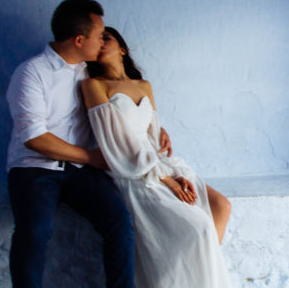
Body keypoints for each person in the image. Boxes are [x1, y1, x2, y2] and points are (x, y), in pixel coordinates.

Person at [5, 0, 173, 288]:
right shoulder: (31, 73)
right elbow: (34, 138)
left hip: (81, 172)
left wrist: (156, 128)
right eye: (99, 36)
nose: (103, 42)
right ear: (79, 40)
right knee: (35, 230)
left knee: (119, 221)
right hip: (35, 169)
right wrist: (91, 157)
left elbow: (123, 110)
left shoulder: (91, 73)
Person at [82, 27, 233, 288]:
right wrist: (166, 180)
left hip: (156, 162)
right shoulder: (93, 85)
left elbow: (151, 136)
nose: (100, 42)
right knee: (200, 230)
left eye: (107, 37)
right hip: (130, 168)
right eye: (98, 39)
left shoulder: (144, 85)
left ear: (122, 48)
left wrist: (171, 164)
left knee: (221, 206)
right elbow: (116, 142)